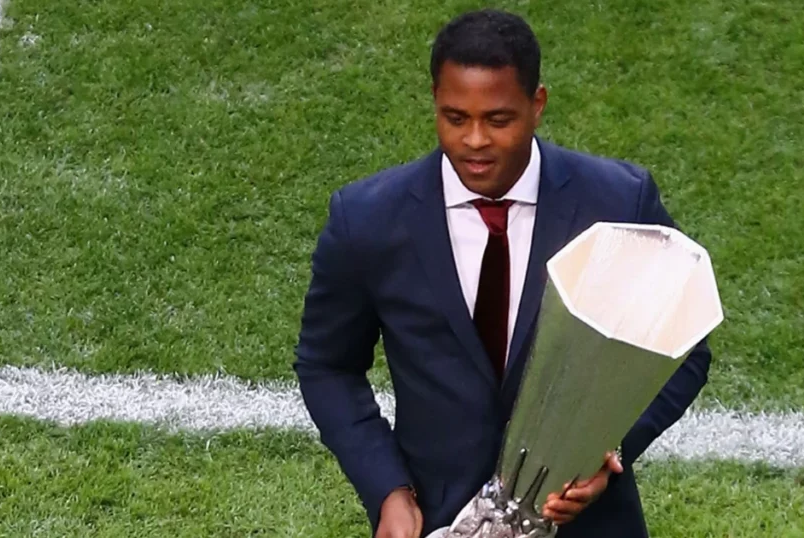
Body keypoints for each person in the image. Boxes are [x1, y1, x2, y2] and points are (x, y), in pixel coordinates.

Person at [293, 8, 712, 538]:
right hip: (441, 522)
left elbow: (687, 347)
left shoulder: (617, 202)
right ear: (434, 101)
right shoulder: (368, 219)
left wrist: (609, 452)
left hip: (588, 525)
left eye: (498, 119)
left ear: (537, 105)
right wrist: (388, 492)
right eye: (454, 117)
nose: (474, 141)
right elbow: (327, 366)